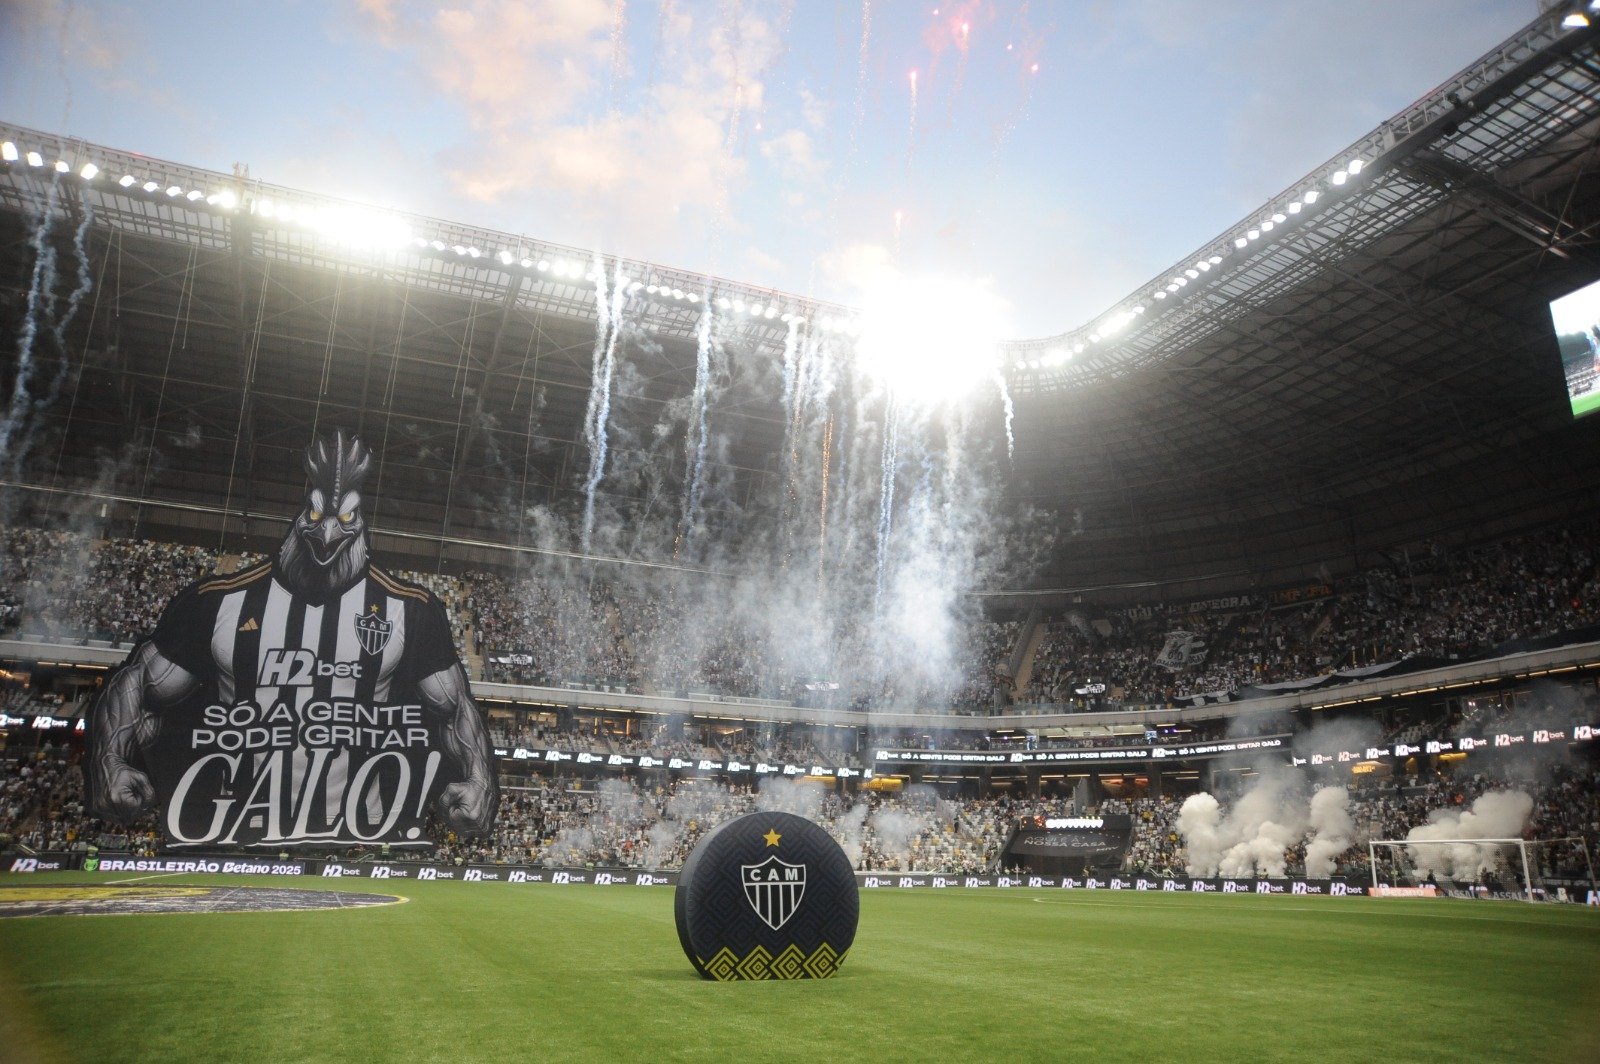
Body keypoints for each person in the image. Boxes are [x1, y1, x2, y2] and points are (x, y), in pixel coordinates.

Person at [85, 431, 497, 848]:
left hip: (361, 833)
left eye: (346, 519)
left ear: (362, 523)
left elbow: (453, 706)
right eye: (316, 517)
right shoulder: (218, 603)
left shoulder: (410, 609)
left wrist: (479, 778)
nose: (329, 533)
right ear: (300, 516)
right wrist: (110, 759)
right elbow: (138, 682)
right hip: (237, 827)